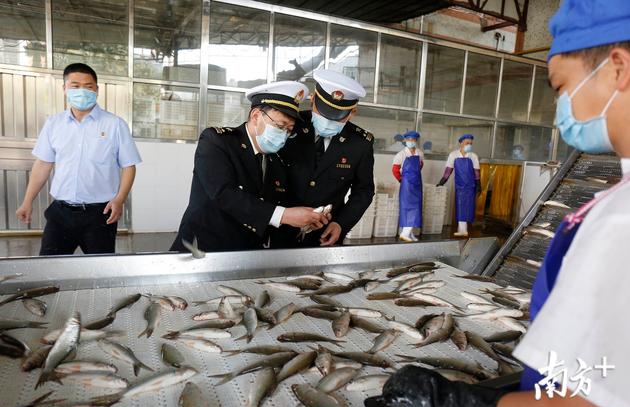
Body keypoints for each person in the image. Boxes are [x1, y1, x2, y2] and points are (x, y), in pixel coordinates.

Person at [364, 1, 630, 407]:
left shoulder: (628, 217)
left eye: (559, 86)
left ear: (617, 68)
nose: (561, 106)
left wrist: (460, 406)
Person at [170, 81, 328, 253]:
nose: (283, 135)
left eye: (289, 130)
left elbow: (275, 207)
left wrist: (306, 220)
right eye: (280, 126)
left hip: (245, 255)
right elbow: (224, 193)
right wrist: (286, 215)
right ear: (255, 116)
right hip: (202, 249)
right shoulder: (217, 141)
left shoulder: (276, 161)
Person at [16, 63, 141, 255]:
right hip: (60, 213)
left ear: (97, 90)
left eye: (88, 86)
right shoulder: (53, 124)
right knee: (49, 268)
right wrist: (27, 201)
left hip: (100, 215)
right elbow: (43, 164)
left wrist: (119, 199)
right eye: (75, 85)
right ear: (64, 88)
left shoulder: (115, 125)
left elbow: (129, 166)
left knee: (100, 271)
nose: (82, 91)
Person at [277, 69, 375, 247]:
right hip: (277, 229)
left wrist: (341, 224)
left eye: (337, 116)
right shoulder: (290, 125)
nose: (328, 120)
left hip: (324, 234)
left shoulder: (360, 143)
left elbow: (363, 190)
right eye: (323, 112)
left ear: (352, 112)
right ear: (313, 98)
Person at [437, 134, 480, 237]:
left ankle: (463, 230)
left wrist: (478, 184)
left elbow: (477, 172)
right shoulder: (453, 155)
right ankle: (462, 230)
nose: (469, 145)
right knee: (460, 206)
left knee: (469, 207)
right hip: (460, 186)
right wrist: (442, 181)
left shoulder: (473, 156)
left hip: (471, 186)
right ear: (461, 143)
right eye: (467, 143)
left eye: (470, 143)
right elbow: (448, 170)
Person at [392, 130, 424, 242]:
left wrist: (414, 177)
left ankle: (408, 233)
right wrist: (403, 180)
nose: (411, 141)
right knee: (407, 208)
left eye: (413, 140)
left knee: (416, 208)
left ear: (416, 141)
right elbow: (395, 170)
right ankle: (405, 233)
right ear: (405, 140)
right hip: (406, 185)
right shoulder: (401, 154)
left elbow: (420, 165)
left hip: (417, 184)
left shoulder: (420, 153)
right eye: (409, 139)